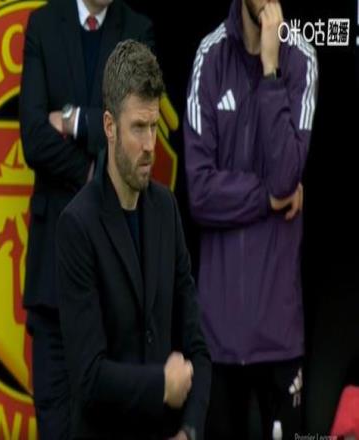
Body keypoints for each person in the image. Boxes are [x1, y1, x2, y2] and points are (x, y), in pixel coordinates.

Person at [56, 40, 211, 440]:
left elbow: (197, 346)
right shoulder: (77, 225)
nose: (149, 146)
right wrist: (162, 385)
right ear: (109, 126)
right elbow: (89, 376)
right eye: (138, 128)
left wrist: (189, 431)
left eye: (154, 126)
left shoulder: (166, 209)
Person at [19, 0, 155, 438]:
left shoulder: (137, 29)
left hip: (114, 276)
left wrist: (73, 120)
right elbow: (34, 137)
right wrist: (92, 170)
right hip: (52, 280)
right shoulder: (43, 25)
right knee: (56, 422)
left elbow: (135, 132)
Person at [183, 0, 317, 438]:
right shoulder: (210, 55)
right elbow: (199, 191)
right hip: (219, 338)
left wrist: (271, 70)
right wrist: (267, 197)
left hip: (278, 335)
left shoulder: (301, 56)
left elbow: (285, 176)